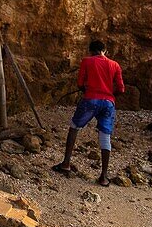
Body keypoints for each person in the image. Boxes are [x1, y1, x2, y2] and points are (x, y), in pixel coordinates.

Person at [52, 40, 126, 187]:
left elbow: (80, 83)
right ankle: (104, 177)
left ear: (91, 51)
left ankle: (66, 163)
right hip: (108, 103)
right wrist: (110, 94)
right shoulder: (115, 65)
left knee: (75, 127)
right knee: (105, 137)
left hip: (91, 99)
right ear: (105, 50)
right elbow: (121, 89)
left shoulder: (87, 61)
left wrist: (87, 91)